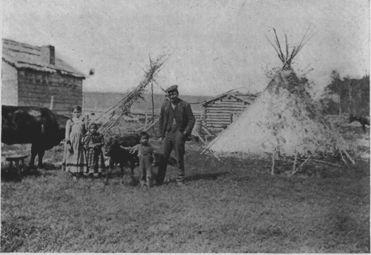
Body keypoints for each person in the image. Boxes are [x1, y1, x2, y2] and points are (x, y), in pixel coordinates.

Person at [157, 85, 195, 185]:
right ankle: (159, 180)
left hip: (179, 133)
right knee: (163, 157)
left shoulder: (185, 105)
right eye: (170, 94)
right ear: (168, 95)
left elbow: (191, 120)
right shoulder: (165, 106)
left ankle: (180, 179)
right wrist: (161, 135)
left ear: (177, 94)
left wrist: (186, 132)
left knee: (179, 157)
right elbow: (161, 120)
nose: (172, 96)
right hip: (168, 134)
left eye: (174, 94)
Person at [63, 105, 86, 180]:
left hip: (80, 141)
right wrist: (68, 141)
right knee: (71, 155)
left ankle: (78, 171)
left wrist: (83, 139)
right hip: (72, 141)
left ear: (80, 112)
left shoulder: (82, 122)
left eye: (78, 112)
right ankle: (72, 173)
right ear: (72, 113)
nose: (76, 114)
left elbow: (84, 132)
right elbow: (67, 132)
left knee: (79, 155)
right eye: (75, 112)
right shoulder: (70, 121)